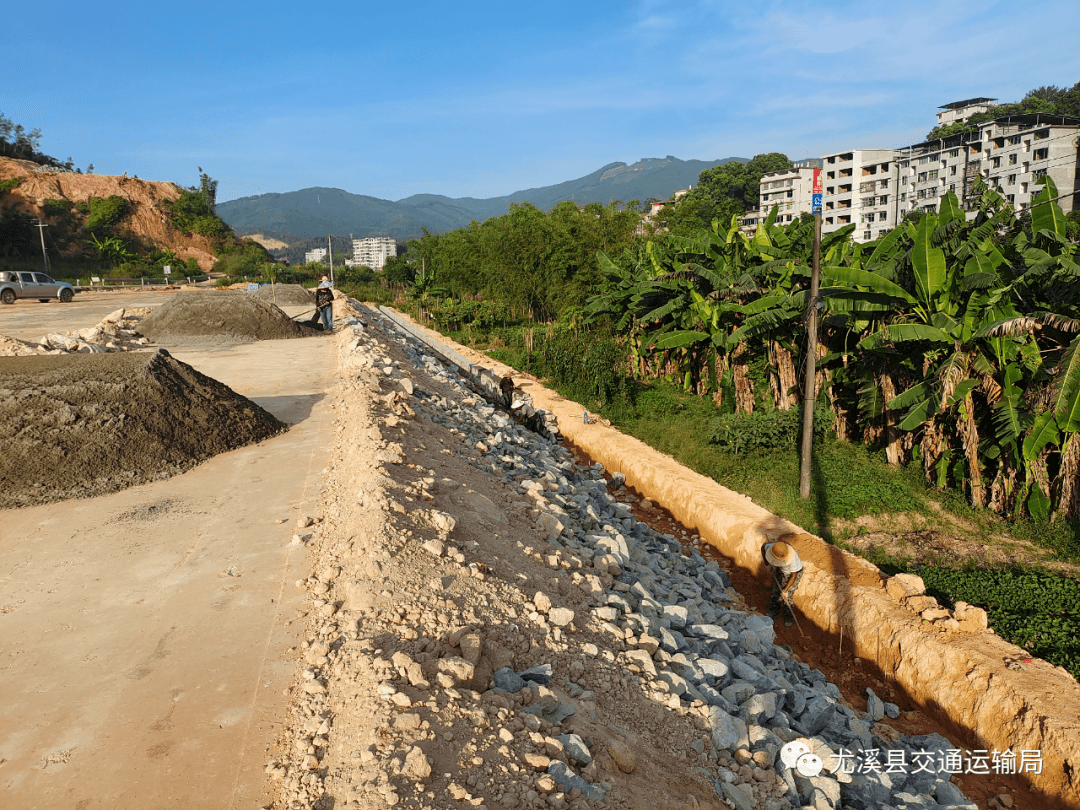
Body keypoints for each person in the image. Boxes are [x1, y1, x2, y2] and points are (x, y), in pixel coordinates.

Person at [762, 540, 803, 626]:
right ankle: (774, 610)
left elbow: (793, 576)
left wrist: (785, 590)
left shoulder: (793, 558)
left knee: (787, 597)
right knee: (775, 591)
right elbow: (763, 548)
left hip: (792, 574)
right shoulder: (773, 548)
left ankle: (789, 617)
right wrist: (767, 564)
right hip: (781, 570)